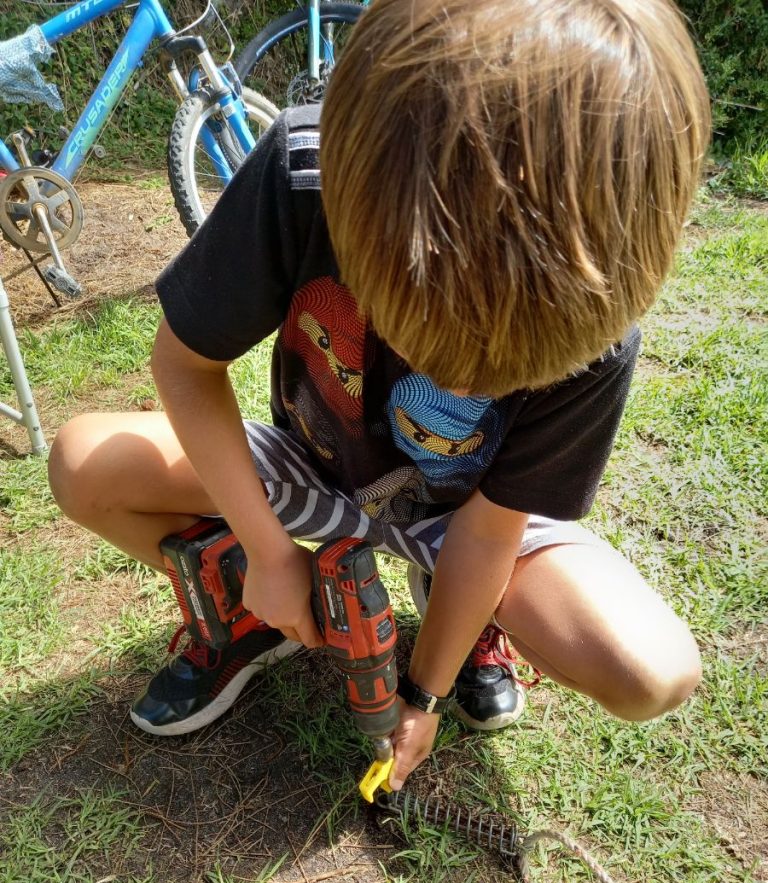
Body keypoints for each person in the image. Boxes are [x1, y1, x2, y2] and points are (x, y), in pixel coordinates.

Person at [47, 0, 710, 792]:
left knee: (652, 670)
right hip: (316, 465)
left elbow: (491, 533)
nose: (462, 388)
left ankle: (468, 618)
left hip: (462, 516)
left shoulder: (601, 317)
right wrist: (265, 551)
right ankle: (251, 617)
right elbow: (186, 366)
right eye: (435, 346)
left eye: (505, 376)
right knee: (84, 464)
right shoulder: (304, 175)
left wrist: (422, 692)